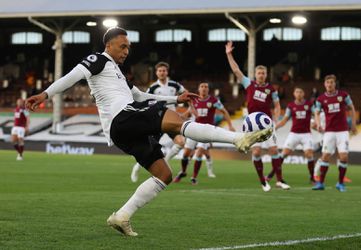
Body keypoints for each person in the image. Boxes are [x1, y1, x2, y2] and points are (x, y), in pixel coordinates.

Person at [25, 27, 272, 237]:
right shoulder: (98, 60)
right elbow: (72, 76)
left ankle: (121, 216)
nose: (126, 51)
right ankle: (237, 138)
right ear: (109, 45)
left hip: (122, 129)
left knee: (164, 174)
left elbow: (141, 96)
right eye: (122, 47)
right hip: (122, 117)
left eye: (128, 48)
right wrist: (44, 94)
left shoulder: (118, 72)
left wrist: (177, 98)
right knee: (176, 123)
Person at [225, 41, 290, 192]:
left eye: (263, 73)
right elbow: (236, 70)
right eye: (259, 73)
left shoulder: (271, 89)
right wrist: (229, 54)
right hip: (253, 124)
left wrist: (276, 118)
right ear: (255, 74)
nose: (261, 75)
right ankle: (263, 181)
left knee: (274, 151)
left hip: (267, 125)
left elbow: (277, 104)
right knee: (256, 152)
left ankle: (279, 180)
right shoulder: (249, 84)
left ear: (266, 75)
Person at [130, 61, 187, 183]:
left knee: (181, 142)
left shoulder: (174, 85)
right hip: (158, 121)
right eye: (160, 71)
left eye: (164, 70)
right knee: (149, 148)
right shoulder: (153, 87)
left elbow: (185, 93)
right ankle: (137, 167)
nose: (162, 72)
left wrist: (189, 108)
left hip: (172, 120)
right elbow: (146, 101)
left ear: (167, 72)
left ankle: (165, 161)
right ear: (156, 73)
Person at [173, 82, 235, 184]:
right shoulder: (194, 100)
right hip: (195, 130)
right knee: (185, 154)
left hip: (207, 131)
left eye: (206, 87)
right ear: (199, 89)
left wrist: (230, 125)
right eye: (202, 86)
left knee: (199, 153)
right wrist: (178, 118)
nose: (204, 88)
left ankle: (194, 177)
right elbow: (189, 113)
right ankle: (183, 172)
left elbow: (224, 111)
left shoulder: (214, 100)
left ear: (208, 89)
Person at [312, 74, 356, 192]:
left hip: (342, 131)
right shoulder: (320, 99)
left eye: (331, 82)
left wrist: (353, 123)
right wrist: (318, 123)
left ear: (335, 83)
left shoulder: (343, 95)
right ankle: (321, 183)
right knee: (325, 156)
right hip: (329, 132)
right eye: (327, 83)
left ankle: (340, 183)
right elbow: (316, 112)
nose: (329, 84)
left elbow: (351, 107)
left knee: (344, 157)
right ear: (324, 84)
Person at [274, 87, 315, 183]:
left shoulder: (309, 105)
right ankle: (276, 176)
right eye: (297, 92)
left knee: (309, 154)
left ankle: (312, 177)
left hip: (306, 134)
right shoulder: (291, 106)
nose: (299, 93)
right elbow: (284, 120)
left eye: (300, 92)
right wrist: (275, 127)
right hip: (294, 134)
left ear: (303, 94)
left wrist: (315, 123)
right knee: (283, 154)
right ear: (294, 94)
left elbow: (316, 114)